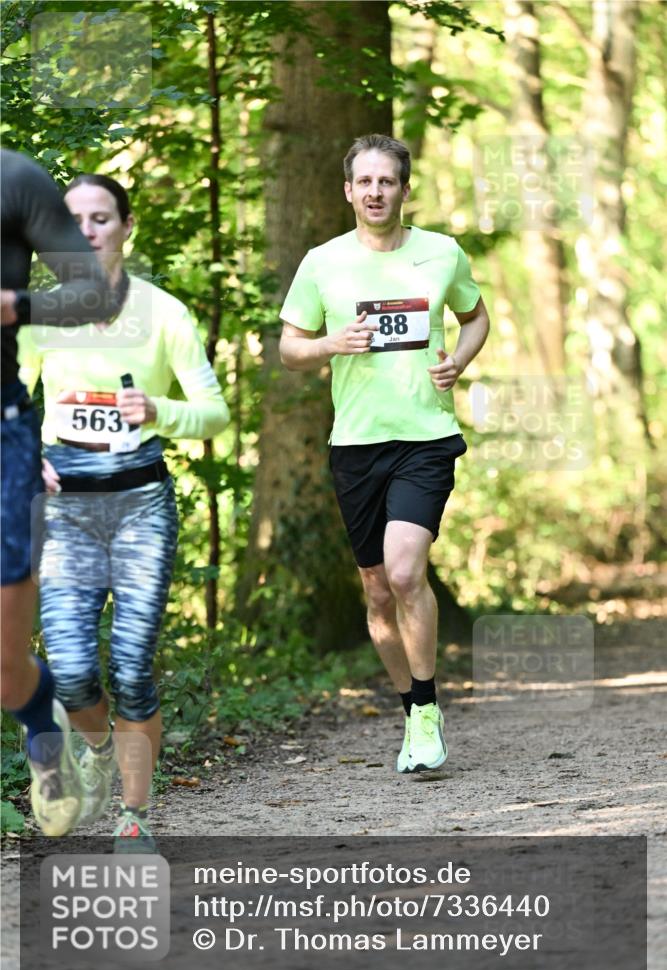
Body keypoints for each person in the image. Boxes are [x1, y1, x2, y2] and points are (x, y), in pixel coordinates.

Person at [19, 173, 229, 848]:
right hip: (65, 507)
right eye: (73, 221)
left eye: (101, 218)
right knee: (72, 669)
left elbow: (215, 413)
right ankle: (100, 751)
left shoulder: (164, 314)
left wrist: (160, 409)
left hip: (141, 506)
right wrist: (25, 458)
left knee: (133, 667)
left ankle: (134, 818)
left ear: (125, 227)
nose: (86, 232)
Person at [279, 134, 489, 773]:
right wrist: (330, 344)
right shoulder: (323, 263)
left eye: (387, 181)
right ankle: (412, 708)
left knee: (403, 573)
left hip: (425, 438)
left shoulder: (441, 253)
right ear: (349, 191)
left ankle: (426, 709)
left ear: (404, 189)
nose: (376, 192)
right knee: (376, 592)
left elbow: (477, 318)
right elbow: (290, 347)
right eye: (365, 182)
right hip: (356, 443)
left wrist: (459, 360)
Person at [1, 148, 116, 836]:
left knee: (6, 668)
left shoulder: (15, 180)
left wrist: (15, 305)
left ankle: (43, 732)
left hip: (4, 434)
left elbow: (93, 292)